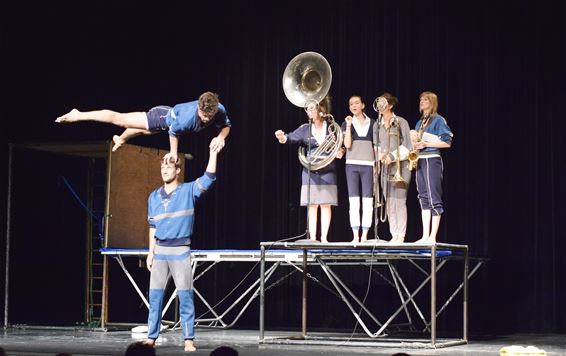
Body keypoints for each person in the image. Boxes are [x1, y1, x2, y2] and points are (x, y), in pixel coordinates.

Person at [144, 139, 220, 352]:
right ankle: (151, 337)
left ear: (178, 170)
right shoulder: (153, 197)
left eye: (169, 166)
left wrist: (213, 153)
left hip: (180, 251)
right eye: (162, 166)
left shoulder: (188, 191)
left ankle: (188, 340)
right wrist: (150, 252)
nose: (165, 170)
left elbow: (208, 179)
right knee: (155, 295)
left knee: (185, 295)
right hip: (160, 252)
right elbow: (152, 226)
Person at [55, 91, 231, 162]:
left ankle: (120, 139)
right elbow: (173, 132)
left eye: (210, 116)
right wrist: (173, 153)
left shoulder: (219, 109)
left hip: (168, 117)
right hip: (161, 117)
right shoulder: (186, 118)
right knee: (121, 119)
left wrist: (221, 137)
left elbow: (225, 126)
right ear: (199, 107)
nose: (207, 120)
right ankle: (79, 114)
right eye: (203, 115)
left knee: (141, 130)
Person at [274, 96, 342, 243]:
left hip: (328, 169)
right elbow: (290, 138)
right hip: (310, 170)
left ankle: (324, 238)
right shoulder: (305, 128)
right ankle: (313, 238)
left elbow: (339, 147)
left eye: (312, 109)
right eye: (308, 109)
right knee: (312, 205)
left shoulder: (331, 128)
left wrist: (339, 152)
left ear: (320, 110)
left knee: (325, 204)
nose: (308, 112)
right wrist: (282, 137)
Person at [410, 91, 453, 243]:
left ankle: (433, 236)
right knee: (423, 197)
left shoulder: (438, 120)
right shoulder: (420, 122)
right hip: (420, 159)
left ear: (432, 102)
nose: (422, 101)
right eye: (421, 99)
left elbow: (447, 142)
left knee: (434, 197)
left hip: (432, 159)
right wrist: (415, 144)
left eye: (425, 99)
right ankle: (425, 235)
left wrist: (426, 144)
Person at [373, 93, 413, 244]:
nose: (380, 106)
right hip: (385, 168)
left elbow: (408, 146)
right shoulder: (377, 124)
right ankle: (393, 234)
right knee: (389, 202)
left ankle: (400, 235)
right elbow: (376, 145)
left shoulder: (400, 121)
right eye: (379, 103)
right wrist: (380, 156)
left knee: (399, 201)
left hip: (400, 167)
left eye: (383, 103)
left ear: (390, 105)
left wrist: (392, 156)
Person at [342, 95, 376, 243]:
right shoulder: (346, 124)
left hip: (369, 165)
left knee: (368, 200)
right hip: (351, 164)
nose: (354, 106)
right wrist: (349, 125)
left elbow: (376, 147)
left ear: (362, 105)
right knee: (354, 200)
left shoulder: (373, 123)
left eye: (356, 103)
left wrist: (377, 166)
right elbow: (347, 145)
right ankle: (355, 235)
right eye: (351, 104)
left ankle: (365, 234)